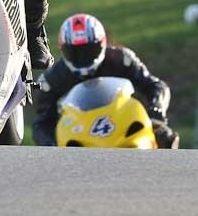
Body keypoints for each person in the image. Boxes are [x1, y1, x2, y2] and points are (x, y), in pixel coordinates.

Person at [32, 13, 179, 148]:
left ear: (102, 43)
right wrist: (52, 146)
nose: (83, 57)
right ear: (63, 49)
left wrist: (156, 110)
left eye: (89, 50)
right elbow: (41, 123)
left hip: (122, 121)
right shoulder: (53, 78)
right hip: (80, 135)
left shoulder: (123, 59)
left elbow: (157, 86)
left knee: (165, 137)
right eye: (75, 52)